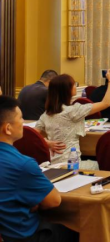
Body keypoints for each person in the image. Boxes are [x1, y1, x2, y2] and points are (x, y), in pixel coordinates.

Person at [0, 96, 78, 242]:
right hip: (22, 235)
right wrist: (32, 202)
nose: (23, 122)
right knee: (79, 228)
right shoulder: (23, 164)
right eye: (20, 118)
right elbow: (53, 201)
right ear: (8, 128)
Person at [36, 72, 110, 166]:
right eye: (74, 84)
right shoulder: (73, 111)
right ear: (67, 90)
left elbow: (32, 134)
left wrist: (47, 143)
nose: (76, 86)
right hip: (71, 164)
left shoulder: (46, 114)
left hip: (53, 163)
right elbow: (106, 103)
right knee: (103, 165)